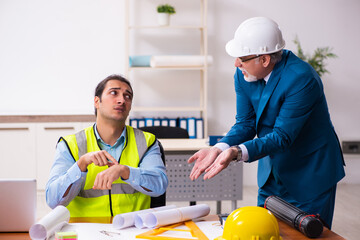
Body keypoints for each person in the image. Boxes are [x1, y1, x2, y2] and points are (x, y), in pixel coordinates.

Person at [188, 17, 345, 228]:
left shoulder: (301, 78)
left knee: (307, 234)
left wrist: (235, 152)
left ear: (264, 60)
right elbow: (245, 123)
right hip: (272, 174)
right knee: (265, 230)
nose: (236, 63)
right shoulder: (243, 72)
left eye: (241, 58)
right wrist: (219, 148)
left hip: (310, 173)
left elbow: (282, 136)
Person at [46, 74, 168, 217]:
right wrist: (81, 164)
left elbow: (159, 185)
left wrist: (125, 171)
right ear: (97, 102)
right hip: (84, 230)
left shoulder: (146, 141)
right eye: (113, 93)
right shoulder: (70, 144)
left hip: (132, 229)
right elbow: (52, 200)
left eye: (127, 96)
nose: (122, 100)